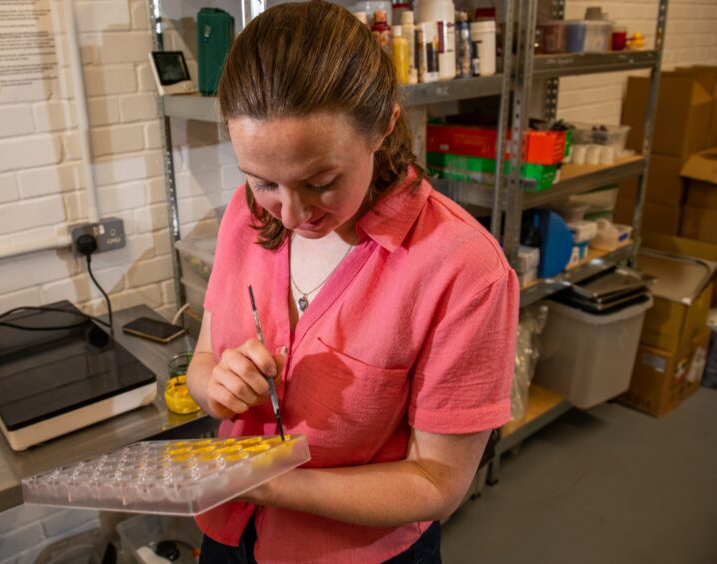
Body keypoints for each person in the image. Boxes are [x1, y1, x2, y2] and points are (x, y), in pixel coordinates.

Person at [185, 2, 518, 562]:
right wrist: (216, 387)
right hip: (229, 527)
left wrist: (269, 481)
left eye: (321, 181)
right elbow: (201, 362)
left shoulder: (463, 271)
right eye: (264, 181)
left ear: (383, 127)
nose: (289, 214)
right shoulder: (245, 217)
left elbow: (437, 484)